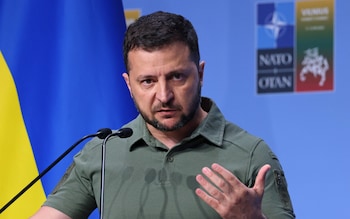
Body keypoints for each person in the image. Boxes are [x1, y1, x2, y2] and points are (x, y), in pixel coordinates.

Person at [30, 11, 295, 219]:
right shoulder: (102, 151)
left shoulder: (251, 155)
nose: (164, 95)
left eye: (176, 77)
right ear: (129, 85)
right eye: (147, 81)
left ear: (200, 74)